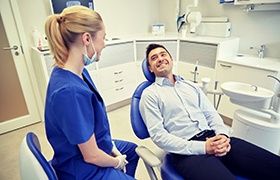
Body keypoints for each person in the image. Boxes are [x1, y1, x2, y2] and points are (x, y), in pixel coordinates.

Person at [139, 43, 280, 180]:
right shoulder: (150, 95)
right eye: (154, 58)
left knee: (274, 165)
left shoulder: (190, 86)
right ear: (150, 68)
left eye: (163, 54)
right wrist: (203, 147)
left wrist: (223, 135)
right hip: (187, 152)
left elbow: (211, 113)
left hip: (215, 138)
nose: (160, 58)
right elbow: (159, 136)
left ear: (172, 60)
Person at [44, 6, 139, 179]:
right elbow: (91, 155)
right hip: (82, 169)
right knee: (123, 161)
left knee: (132, 151)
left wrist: (110, 146)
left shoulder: (76, 72)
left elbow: (93, 125)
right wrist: (116, 163)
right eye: (103, 37)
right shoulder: (69, 92)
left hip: (93, 146)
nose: (104, 43)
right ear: (87, 38)